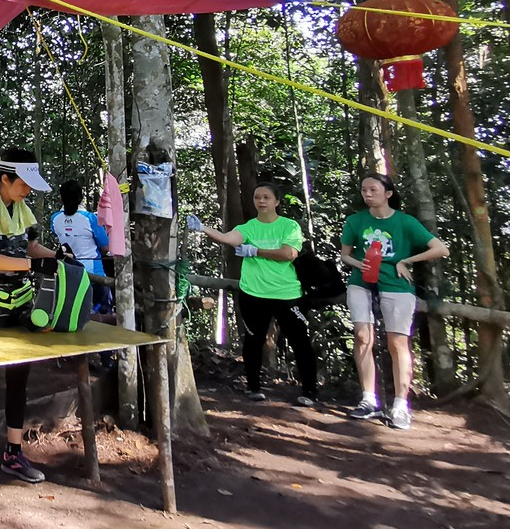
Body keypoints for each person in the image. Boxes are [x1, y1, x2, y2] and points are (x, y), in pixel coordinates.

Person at [0, 148, 58, 484]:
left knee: (19, 377)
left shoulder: (22, 208)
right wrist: (34, 265)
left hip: (20, 305)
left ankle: (13, 454)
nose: (28, 190)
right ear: (5, 178)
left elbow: (31, 247)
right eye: (24, 183)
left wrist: (58, 258)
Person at [338, 172, 448, 429]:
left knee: (397, 342)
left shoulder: (405, 222)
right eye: (364, 189)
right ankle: (368, 398)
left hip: (396, 285)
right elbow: (345, 255)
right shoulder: (355, 221)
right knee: (362, 336)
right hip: (361, 283)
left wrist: (405, 260)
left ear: (388, 193)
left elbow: (440, 248)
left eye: (373, 190)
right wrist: (360, 263)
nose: (367, 194)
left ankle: (400, 404)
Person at [192, 181, 317, 405]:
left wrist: (256, 251)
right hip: (254, 293)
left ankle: (309, 390)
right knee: (253, 340)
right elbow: (230, 237)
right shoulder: (249, 226)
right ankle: (253, 387)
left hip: (287, 294)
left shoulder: (289, 227)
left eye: (266, 197)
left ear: (277, 201)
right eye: (257, 197)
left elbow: (289, 253)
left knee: (300, 342)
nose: (261, 201)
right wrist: (203, 228)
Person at [49, 178, 113, 300]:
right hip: (94, 274)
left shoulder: (54, 219)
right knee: (102, 313)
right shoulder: (90, 219)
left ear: (61, 198)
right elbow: (105, 247)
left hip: (70, 275)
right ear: (80, 198)